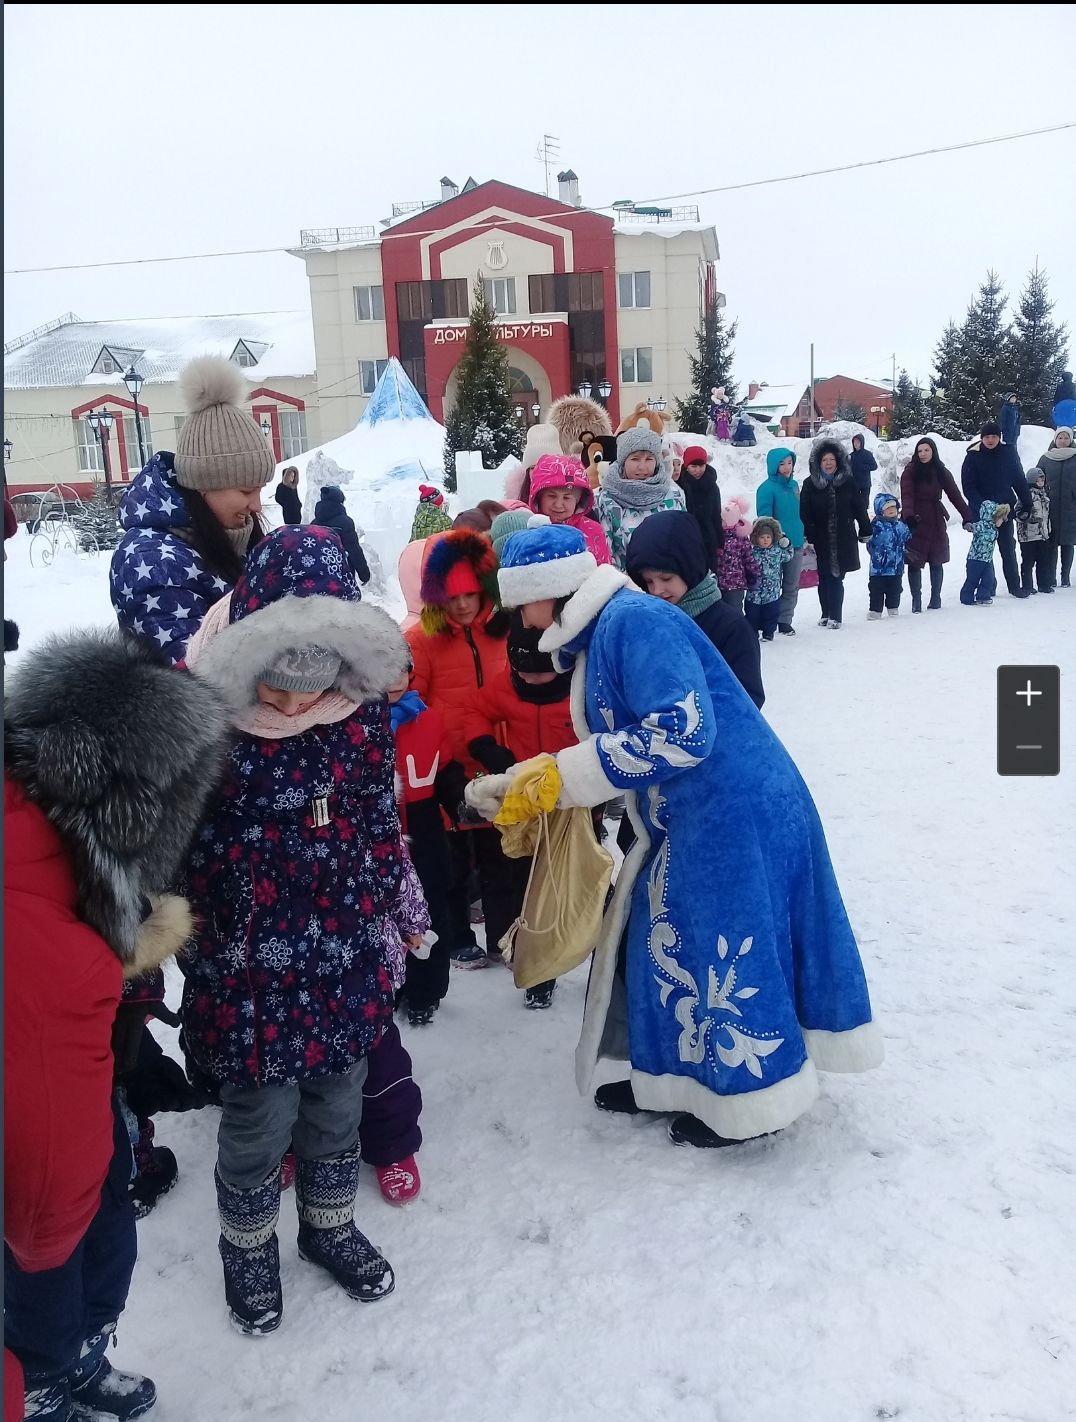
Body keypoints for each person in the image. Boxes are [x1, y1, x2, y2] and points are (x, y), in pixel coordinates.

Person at [469, 524, 882, 1149]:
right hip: (694, 811)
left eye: (520, 600)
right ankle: (670, 1078)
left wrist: (564, 775)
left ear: (547, 592)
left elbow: (684, 732)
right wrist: (540, 779)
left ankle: (749, 1100)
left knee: (723, 949)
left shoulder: (633, 623)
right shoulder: (608, 628)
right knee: (664, 940)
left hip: (732, 812)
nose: (521, 617)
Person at [180, 525, 414, 1334]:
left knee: (335, 1108)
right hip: (249, 972)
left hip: (343, 955)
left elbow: (380, 819)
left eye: (308, 691)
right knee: (257, 1123)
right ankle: (247, 1251)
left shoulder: (355, 720)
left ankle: (329, 1227)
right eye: (275, 688)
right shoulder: (208, 728)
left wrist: (393, 898)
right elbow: (178, 851)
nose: (289, 706)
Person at [5, 627, 230, 1422]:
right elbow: (42, 1183)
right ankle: (40, 1380)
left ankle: (81, 1356)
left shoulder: (72, 848)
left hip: (82, 1089)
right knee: (49, 1255)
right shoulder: (45, 905)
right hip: (39, 1127)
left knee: (102, 1231)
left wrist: (130, 1040)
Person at [110, 354, 273, 666]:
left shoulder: (235, 536)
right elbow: (198, 675)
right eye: (246, 490)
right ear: (204, 485)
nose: (256, 505)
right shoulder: (152, 560)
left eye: (261, 489)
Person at [461, 608, 582, 1008]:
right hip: (523, 803)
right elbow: (474, 712)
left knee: (565, 882)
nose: (529, 678)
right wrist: (487, 748)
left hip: (572, 803)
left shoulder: (576, 693)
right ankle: (521, 953)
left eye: (539, 671)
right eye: (522, 670)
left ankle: (567, 955)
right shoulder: (505, 687)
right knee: (519, 879)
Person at [405, 528, 511, 967]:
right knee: (450, 865)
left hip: (497, 761)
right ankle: (455, 935)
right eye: (452, 596)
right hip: (447, 771)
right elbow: (412, 705)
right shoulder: (420, 641)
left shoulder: (506, 632)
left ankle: (506, 934)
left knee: (500, 858)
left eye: (471, 593)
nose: (463, 604)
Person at [387, 665, 468, 1024]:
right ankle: (387, 988)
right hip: (376, 828)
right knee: (383, 911)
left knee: (430, 905)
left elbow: (446, 767)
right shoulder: (349, 723)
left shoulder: (427, 717)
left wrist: (460, 799)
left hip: (423, 824)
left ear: (410, 674)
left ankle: (426, 990)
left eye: (397, 672)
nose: (390, 681)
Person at [625, 511, 764, 710]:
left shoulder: (730, 627)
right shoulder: (650, 622)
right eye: (648, 581)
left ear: (689, 567)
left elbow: (748, 698)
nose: (656, 590)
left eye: (666, 578)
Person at [800, 438, 871, 630]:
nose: (828, 463)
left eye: (831, 459)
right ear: (818, 463)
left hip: (843, 538)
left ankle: (836, 616)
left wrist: (865, 529)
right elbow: (804, 511)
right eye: (824, 460)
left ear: (838, 461)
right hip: (820, 538)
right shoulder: (810, 484)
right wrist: (809, 533)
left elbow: (859, 507)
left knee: (837, 576)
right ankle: (825, 613)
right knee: (823, 576)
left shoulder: (847, 482)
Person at [595, 426, 685, 570]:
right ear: (623, 461)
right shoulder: (606, 500)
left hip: (671, 581)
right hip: (628, 586)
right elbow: (607, 555)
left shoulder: (673, 494)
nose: (642, 467)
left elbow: (685, 542)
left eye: (649, 459)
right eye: (635, 459)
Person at [960, 421, 1031, 598]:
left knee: (1008, 549)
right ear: (982, 438)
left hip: (1004, 510)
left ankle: (1014, 586)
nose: (990, 440)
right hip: (981, 512)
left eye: (994, 436)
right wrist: (983, 507)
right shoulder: (972, 456)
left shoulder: (1008, 453)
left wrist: (1027, 503)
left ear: (999, 437)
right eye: (987, 437)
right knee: (985, 552)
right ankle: (988, 586)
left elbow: (1019, 479)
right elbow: (968, 486)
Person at [899, 437, 970, 612]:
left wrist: (967, 515)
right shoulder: (910, 471)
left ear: (933, 451)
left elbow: (955, 495)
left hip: (936, 519)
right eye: (920, 450)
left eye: (926, 450)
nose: (923, 454)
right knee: (915, 561)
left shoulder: (941, 470)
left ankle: (936, 598)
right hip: (916, 520)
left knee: (936, 560)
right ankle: (917, 600)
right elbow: (906, 495)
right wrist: (908, 516)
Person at [527, 453, 612, 565]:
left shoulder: (593, 531)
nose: (558, 504)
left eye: (567, 498)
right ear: (538, 497)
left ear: (578, 500)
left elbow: (605, 573)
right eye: (551, 496)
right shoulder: (529, 531)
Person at [756, 447, 806, 635]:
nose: (786, 467)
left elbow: (798, 512)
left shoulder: (794, 486)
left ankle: (785, 620)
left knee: (791, 585)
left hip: (796, 543)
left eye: (789, 463)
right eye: (782, 463)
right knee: (770, 584)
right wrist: (776, 539)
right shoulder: (766, 489)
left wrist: (802, 533)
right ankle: (767, 619)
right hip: (774, 547)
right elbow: (764, 519)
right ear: (773, 466)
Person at [1036, 427, 1076, 588]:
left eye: (1066, 438)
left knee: (1068, 543)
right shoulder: (1046, 458)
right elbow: (1036, 479)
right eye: (1060, 438)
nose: (1063, 441)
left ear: (1071, 440)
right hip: (1049, 507)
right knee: (1050, 543)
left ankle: (1065, 577)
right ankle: (1050, 577)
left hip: (1071, 507)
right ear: (1055, 440)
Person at [311, 484, 371, 587]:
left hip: (319, 575)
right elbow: (354, 550)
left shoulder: (313, 524)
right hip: (342, 574)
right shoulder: (345, 522)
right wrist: (364, 574)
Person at [744, 517, 792, 641]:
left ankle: (768, 632)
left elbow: (788, 555)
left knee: (771, 613)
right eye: (762, 537)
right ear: (756, 538)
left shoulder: (777, 551)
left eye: (768, 537)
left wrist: (787, 543)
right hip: (754, 590)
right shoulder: (752, 551)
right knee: (752, 614)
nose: (765, 540)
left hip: (772, 591)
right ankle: (752, 632)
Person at [865, 494, 913, 619]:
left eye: (894, 507)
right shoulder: (875, 526)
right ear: (880, 510)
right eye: (887, 508)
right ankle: (875, 610)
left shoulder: (900, 525)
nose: (892, 510)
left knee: (895, 589)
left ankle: (893, 607)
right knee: (876, 589)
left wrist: (913, 526)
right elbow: (868, 541)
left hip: (896, 566)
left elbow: (907, 536)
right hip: (878, 568)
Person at [679, 445, 724, 572]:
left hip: (708, 537)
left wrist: (720, 541)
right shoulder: (680, 483)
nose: (698, 470)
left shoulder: (712, 486)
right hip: (686, 536)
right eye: (694, 466)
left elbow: (716, 514)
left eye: (701, 466)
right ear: (686, 466)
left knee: (709, 574)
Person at [960, 500, 1010, 606]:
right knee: (972, 579)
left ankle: (983, 595)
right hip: (975, 558)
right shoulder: (981, 525)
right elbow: (973, 527)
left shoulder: (994, 529)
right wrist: (968, 526)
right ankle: (966, 597)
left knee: (989, 578)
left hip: (987, 559)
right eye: (1001, 519)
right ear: (993, 516)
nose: (1003, 521)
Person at [715, 495, 759, 614]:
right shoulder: (716, 536)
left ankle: (738, 631)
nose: (719, 522)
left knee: (735, 610)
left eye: (722, 520)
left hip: (735, 583)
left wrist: (753, 574)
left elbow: (748, 558)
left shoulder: (740, 538)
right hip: (718, 581)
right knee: (719, 611)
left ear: (730, 521)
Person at [1018, 467, 1053, 594]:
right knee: (1028, 561)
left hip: (1043, 534)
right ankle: (1027, 585)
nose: (1041, 482)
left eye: (1043, 480)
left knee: (1043, 560)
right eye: (1038, 480)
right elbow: (1017, 511)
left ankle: (1044, 584)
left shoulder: (1044, 495)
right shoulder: (1026, 495)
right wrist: (1023, 516)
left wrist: (1048, 529)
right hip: (1028, 535)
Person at [849, 434, 877, 506]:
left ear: (862, 443)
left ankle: (864, 516)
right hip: (854, 484)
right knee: (854, 504)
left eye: (858, 442)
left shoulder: (867, 454)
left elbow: (874, 466)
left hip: (865, 484)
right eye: (854, 442)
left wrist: (862, 467)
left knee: (864, 504)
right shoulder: (851, 455)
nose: (856, 444)